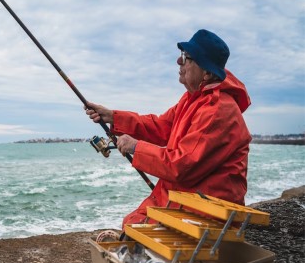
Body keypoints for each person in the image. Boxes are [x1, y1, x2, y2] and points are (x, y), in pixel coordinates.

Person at [85, 29, 250, 237]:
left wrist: (136, 147)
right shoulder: (193, 98)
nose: (178, 62)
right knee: (132, 224)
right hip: (190, 199)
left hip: (207, 210)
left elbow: (181, 165)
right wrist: (113, 117)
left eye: (186, 58)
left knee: (135, 231)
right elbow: (161, 126)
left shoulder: (217, 110)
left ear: (206, 73)